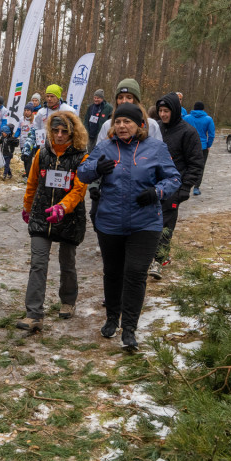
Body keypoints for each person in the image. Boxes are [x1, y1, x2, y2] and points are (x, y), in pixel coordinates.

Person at [78, 103, 180, 350]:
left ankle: (130, 329)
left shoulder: (155, 148)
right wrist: (95, 168)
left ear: (140, 125)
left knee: (134, 274)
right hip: (110, 222)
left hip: (145, 223)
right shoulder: (105, 147)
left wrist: (157, 191)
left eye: (127, 122)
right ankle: (112, 318)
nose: (121, 126)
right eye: (118, 122)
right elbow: (82, 173)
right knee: (113, 273)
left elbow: (174, 178)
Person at [17, 110, 89, 332]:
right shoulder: (42, 153)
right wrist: (27, 206)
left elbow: (79, 190)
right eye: (55, 130)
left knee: (67, 262)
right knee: (38, 263)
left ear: (72, 132)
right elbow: (32, 183)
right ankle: (34, 314)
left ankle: (68, 301)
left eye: (64, 131)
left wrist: (63, 207)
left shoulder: (82, 158)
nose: (59, 135)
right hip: (41, 216)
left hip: (69, 218)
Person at [149, 93, 204, 280]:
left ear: (175, 111)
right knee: (150, 221)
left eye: (166, 111)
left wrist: (185, 187)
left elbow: (196, 162)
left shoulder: (188, 132)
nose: (163, 115)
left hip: (174, 186)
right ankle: (151, 255)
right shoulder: (156, 129)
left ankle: (160, 259)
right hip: (154, 183)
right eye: (161, 111)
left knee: (166, 223)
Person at [94, 79, 162, 144]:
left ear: (136, 101)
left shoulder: (151, 125)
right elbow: (99, 152)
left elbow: (158, 152)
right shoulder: (107, 125)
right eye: (120, 97)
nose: (124, 101)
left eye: (129, 97)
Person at [183, 102, 215, 196]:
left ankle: (185, 186)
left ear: (194, 108)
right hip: (202, 147)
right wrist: (209, 145)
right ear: (203, 109)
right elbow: (211, 134)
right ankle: (196, 188)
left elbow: (182, 131)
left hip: (189, 146)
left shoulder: (186, 118)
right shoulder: (208, 119)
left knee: (187, 165)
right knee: (200, 167)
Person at [32, 84, 76, 149]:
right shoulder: (41, 112)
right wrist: (27, 149)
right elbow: (35, 129)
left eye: (52, 96)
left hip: (63, 148)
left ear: (58, 97)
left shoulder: (69, 110)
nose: (49, 99)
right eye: (47, 96)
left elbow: (76, 130)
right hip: (44, 148)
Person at [18, 104, 37, 177]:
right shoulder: (21, 119)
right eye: (25, 110)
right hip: (23, 142)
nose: (26, 112)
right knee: (24, 159)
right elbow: (19, 129)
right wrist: (15, 136)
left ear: (31, 111)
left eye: (28, 110)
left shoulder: (35, 119)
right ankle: (27, 172)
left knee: (29, 159)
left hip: (31, 143)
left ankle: (29, 175)